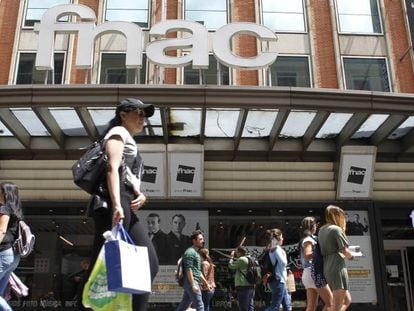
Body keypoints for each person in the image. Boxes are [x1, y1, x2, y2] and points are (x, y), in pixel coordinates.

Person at [86, 98, 159, 311]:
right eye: (138, 113)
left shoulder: (127, 137)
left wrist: (139, 193)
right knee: (103, 264)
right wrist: (118, 203)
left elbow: (125, 173)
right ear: (123, 114)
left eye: (144, 115)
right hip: (113, 202)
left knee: (148, 262)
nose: (142, 118)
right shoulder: (118, 132)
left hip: (123, 201)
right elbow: (112, 167)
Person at [318, 205, 354, 311]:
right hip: (337, 266)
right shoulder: (336, 229)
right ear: (338, 216)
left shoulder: (321, 230)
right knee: (337, 306)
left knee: (347, 300)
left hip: (327, 266)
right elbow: (344, 250)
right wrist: (352, 256)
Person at [299, 217, 332, 311]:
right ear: (312, 226)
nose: (316, 227)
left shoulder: (307, 239)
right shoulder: (308, 240)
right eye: (315, 225)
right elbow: (307, 254)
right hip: (314, 272)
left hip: (308, 273)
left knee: (311, 307)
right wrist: (323, 253)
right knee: (331, 303)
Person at [0, 182, 23, 311]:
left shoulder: (4, 209)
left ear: (4, 192)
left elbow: (1, 230)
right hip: (13, 256)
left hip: (3, 253)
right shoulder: (16, 210)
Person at [176, 230, 210, 311]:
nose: (203, 241)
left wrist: (206, 283)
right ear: (194, 241)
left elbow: (197, 271)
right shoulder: (190, 252)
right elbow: (189, 269)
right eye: (200, 239)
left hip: (192, 282)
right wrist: (193, 285)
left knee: (184, 305)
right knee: (200, 306)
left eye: (202, 239)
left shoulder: (195, 253)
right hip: (191, 282)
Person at [263, 228, 291, 311]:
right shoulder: (277, 248)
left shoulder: (271, 249)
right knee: (275, 306)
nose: (283, 239)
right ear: (278, 238)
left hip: (278, 280)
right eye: (281, 237)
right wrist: (284, 254)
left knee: (286, 305)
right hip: (279, 280)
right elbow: (283, 263)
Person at [228, 246, 255, 311]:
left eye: (237, 252)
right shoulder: (251, 259)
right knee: (250, 306)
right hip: (251, 285)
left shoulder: (241, 259)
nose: (236, 254)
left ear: (240, 253)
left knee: (243, 307)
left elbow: (231, 266)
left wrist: (231, 257)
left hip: (242, 286)